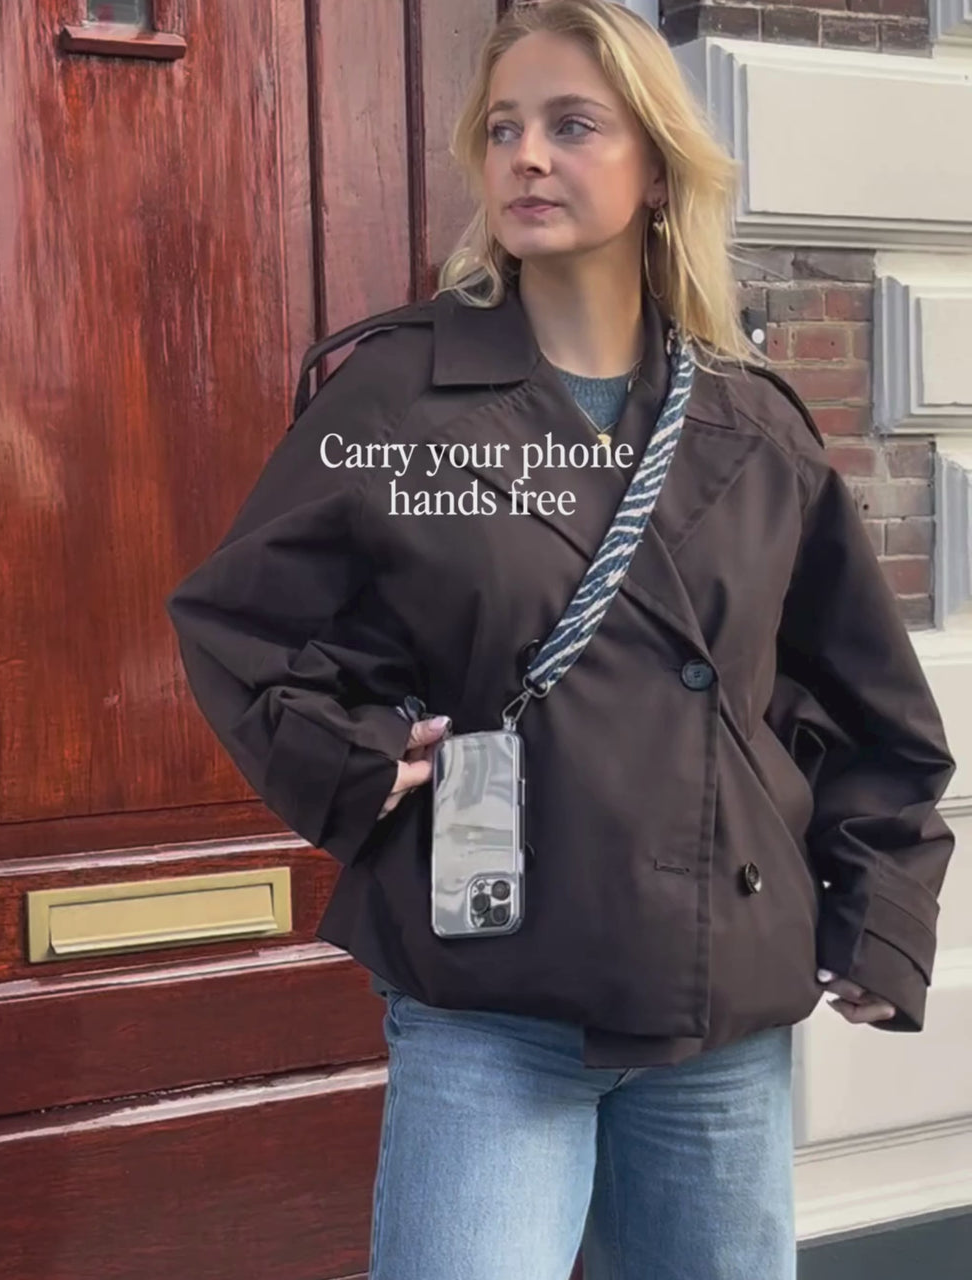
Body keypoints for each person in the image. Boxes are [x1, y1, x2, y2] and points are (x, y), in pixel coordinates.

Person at [166, 2, 957, 1276]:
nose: (527, 156)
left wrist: (879, 916)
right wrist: (357, 754)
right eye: (503, 129)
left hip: (717, 1003)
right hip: (492, 998)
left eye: (573, 125)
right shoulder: (400, 397)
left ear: (658, 171)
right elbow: (241, 622)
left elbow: (865, 708)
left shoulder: (753, 424)